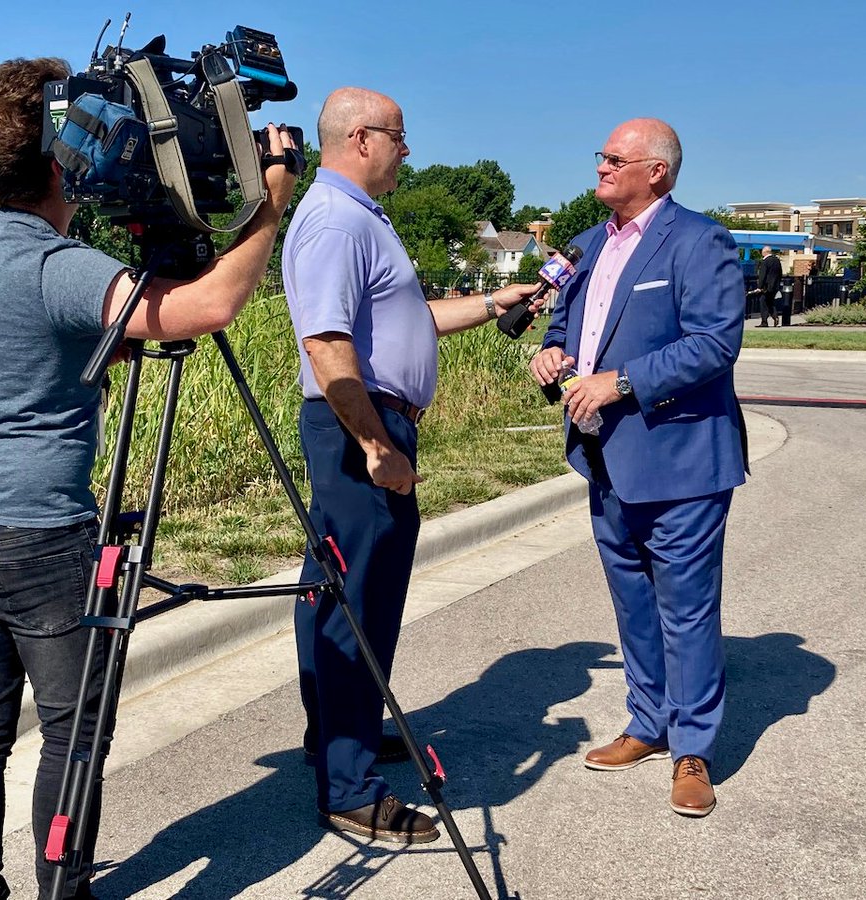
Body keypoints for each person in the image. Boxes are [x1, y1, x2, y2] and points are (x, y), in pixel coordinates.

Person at [0, 57, 298, 899]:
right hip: (37, 539)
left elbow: (39, 344)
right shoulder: (62, 267)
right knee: (73, 730)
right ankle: (65, 891)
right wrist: (268, 200)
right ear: (63, 158)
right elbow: (207, 310)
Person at [282, 86, 539, 844]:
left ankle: (336, 736)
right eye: (400, 136)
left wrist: (495, 303)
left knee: (334, 595)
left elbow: (409, 319)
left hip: (368, 421)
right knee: (360, 603)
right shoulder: (334, 219)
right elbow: (327, 345)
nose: (408, 150)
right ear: (362, 138)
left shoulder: (363, 217)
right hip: (360, 424)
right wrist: (374, 445)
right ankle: (353, 789)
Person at [528, 118, 747, 818]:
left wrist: (621, 381)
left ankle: (693, 750)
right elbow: (565, 329)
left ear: (657, 170)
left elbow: (716, 343)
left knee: (686, 610)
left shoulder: (698, 240)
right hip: (605, 456)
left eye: (614, 159)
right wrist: (550, 355)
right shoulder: (588, 246)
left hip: (682, 460)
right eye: (600, 156)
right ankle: (648, 725)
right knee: (633, 603)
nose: (600, 167)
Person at [756, 245, 783, 326]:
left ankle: (764, 321)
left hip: (766, 287)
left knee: (763, 301)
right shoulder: (777, 261)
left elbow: (762, 275)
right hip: (775, 286)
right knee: (770, 302)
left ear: (765, 252)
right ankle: (775, 316)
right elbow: (780, 274)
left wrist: (759, 287)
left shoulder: (765, 262)